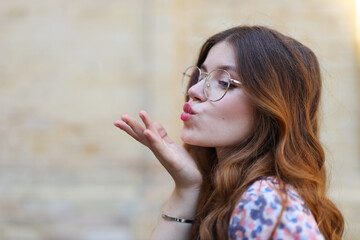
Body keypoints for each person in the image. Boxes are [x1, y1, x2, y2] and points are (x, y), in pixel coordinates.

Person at [114, 26, 344, 240]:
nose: (194, 91)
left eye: (224, 83)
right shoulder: (227, 194)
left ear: (270, 107)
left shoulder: (265, 201)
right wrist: (187, 189)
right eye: (200, 77)